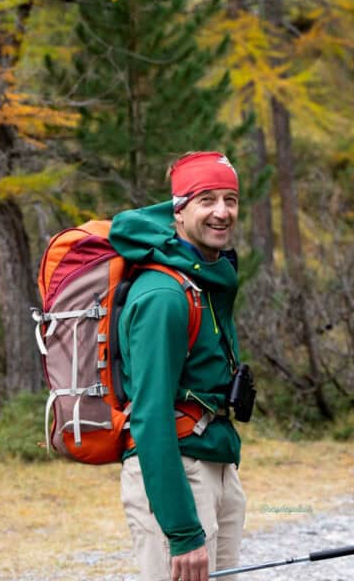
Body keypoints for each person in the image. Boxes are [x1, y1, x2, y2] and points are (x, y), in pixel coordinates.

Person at [109, 151, 249, 581]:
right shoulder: (164, 296)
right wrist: (183, 532)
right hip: (178, 479)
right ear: (179, 209)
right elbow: (149, 417)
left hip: (216, 466)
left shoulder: (204, 278)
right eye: (206, 199)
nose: (221, 212)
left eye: (230, 199)